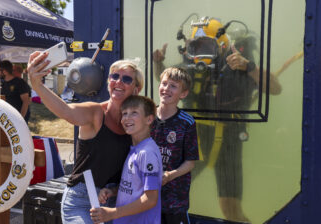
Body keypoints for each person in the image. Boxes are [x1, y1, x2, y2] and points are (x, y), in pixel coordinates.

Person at [153, 17, 282, 223]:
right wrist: (158, 63)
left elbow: (275, 88)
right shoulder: (188, 70)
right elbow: (167, 81)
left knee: (230, 209)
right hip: (194, 140)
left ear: (221, 46)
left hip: (229, 143)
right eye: (196, 47)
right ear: (188, 48)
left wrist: (250, 67)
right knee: (162, 192)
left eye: (208, 47)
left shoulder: (239, 67)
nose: (201, 54)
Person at [27, 52, 144, 224]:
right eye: (115, 76)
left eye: (126, 79)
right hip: (81, 199)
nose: (119, 81)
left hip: (115, 200)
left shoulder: (135, 123)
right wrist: (37, 85)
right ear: (109, 82)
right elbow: (66, 111)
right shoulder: (96, 113)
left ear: (136, 89)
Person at [90, 95, 162, 224]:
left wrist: (113, 213)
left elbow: (151, 199)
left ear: (149, 119)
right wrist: (112, 191)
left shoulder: (147, 153)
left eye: (134, 113)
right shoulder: (135, 149)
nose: (127, 118)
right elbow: (135, 188)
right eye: (124, 113)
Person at [150, 67, 199, 224]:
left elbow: (190, 162)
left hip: (175, 201)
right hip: (147, 197)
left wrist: (169, 175)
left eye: (173, 86)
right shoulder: (146, 117)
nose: (166, 89)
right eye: (164, 83)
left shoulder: (187, 122)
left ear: (183, 94)